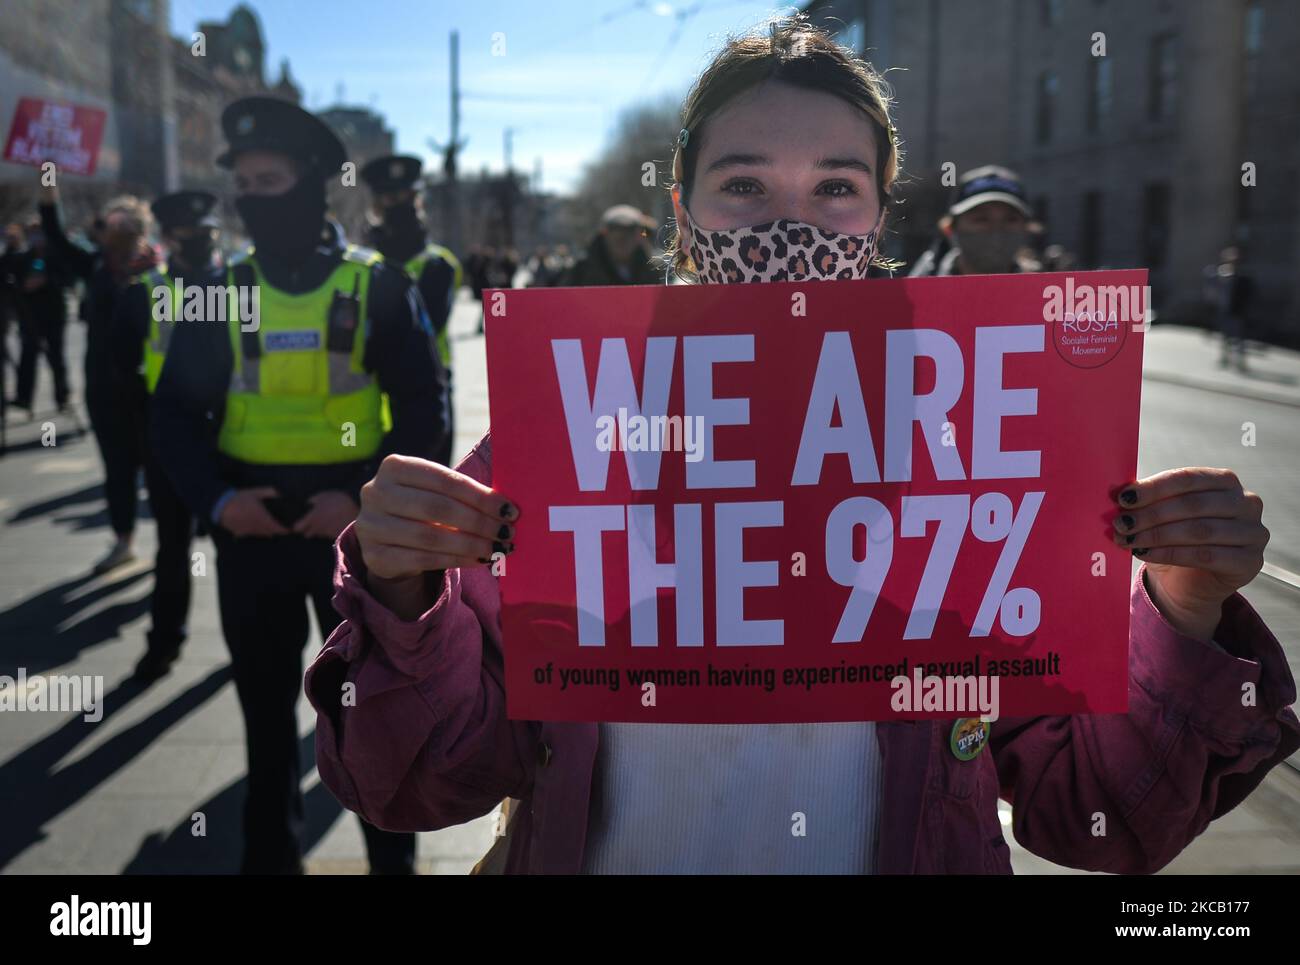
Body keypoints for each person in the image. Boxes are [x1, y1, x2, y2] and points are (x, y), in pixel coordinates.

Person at [305, 17, 1297, 874]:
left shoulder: (981, 437)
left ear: (877, 212)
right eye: (743, 184)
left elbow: (1096, 812)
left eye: (834, 185)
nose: (791, 224)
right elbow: (419, 785)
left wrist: (1180, 607)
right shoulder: (567, 428)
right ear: (683, 213)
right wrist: (402, 595)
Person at [151, 96, 449, 874]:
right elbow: (175, 418)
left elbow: (425, 409)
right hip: (252, 527)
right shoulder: (219, 291)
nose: (254, 195)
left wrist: (360, 501)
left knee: (376, 717)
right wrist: (219, 503)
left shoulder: (378, 284)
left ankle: (393, 864)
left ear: (314, 185)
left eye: (271, 178)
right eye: (244, 181)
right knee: (263, 719)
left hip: (358, 537)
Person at [109, 191, 224, 683]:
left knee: (236, 552)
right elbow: (120, 373)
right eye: (189, 235)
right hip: (168, 440)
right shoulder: (143, 292)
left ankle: (251, 642)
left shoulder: (238, 290)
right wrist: (140, 440)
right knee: (172, 547)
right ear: (169, 238)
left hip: (228, 438)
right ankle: (164, 643)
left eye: (207, 234)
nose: (199, 242)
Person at [39, 181, 159, 573]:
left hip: (152, 392)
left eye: (121, 222)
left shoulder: (159, 272)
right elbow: (56, 238)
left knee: (162, 472)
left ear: (138, 228)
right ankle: (123, 542)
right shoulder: (95, 265)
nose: (111, 229)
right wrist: (49, 190)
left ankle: (172, 548)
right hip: (105, 388)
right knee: (118, 469)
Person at [361, 154, 461, 466]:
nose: (398, 205)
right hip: (368, 393)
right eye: (390, 198)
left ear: (419, 201)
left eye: (406, 197)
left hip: (428, 389)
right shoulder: (361, 265)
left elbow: (430, 322)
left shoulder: (438, 264)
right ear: (377, 205)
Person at [909, 165, 1039, 277]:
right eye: (981, 219)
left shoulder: (1044, 296)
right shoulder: (916, 294)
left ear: (1027, 229)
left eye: (1010, 219)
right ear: (950, 228)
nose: (996, 230)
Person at [10, 219, 72, 414]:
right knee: (28, 356)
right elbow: (11, 281)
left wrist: (46, 281)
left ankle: (62, 397)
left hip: (54, 314)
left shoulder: (55, 257)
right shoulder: (22, 258)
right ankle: (24, 397)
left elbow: (68, 280)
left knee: (56, 357)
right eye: (32, 234)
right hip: (30, 316)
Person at [561, 204, 663, 287]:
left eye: (629, 232)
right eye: (616, 231)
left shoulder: (653, 270)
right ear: (604, 234)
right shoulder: (580, 271)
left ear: (639, 236)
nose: (622, 238)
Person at [1204, 246, 1253, 371]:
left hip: (1237, 311)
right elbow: (1212, 286)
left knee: (1239, 338)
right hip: (1225, 310)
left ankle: (1240, 362)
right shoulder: (1222, 273)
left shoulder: (1242, 276)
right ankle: (1225, 358)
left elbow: (1247, 293)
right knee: (1225, 336)